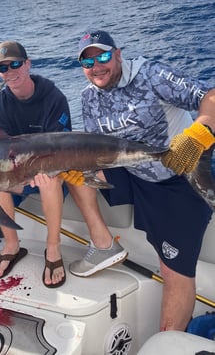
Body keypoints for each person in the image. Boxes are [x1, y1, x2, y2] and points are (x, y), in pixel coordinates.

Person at [67, 29, 215, 332]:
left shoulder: (152, 74)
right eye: (88, 62)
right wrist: (83, 170)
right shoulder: (88, 97)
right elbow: (96, 147)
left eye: (103, 56)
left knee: (173, 271)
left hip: (176, 174)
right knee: (70, 172)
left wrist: (201, 131)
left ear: (118, 54)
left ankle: (170, 340)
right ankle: (104, 245)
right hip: (130, 171)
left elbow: (210, 96)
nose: (97, 67)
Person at [0, 41, 79, 288]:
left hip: (52, 169)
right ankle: (12, 245)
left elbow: (60, 151)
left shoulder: (53, 97)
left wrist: (35, 172)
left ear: (27, 64)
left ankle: (53, 249)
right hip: (18, 171)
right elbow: (0, 150)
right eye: (3, 68)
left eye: (15, 64)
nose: (10, 71)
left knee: (49, 180)